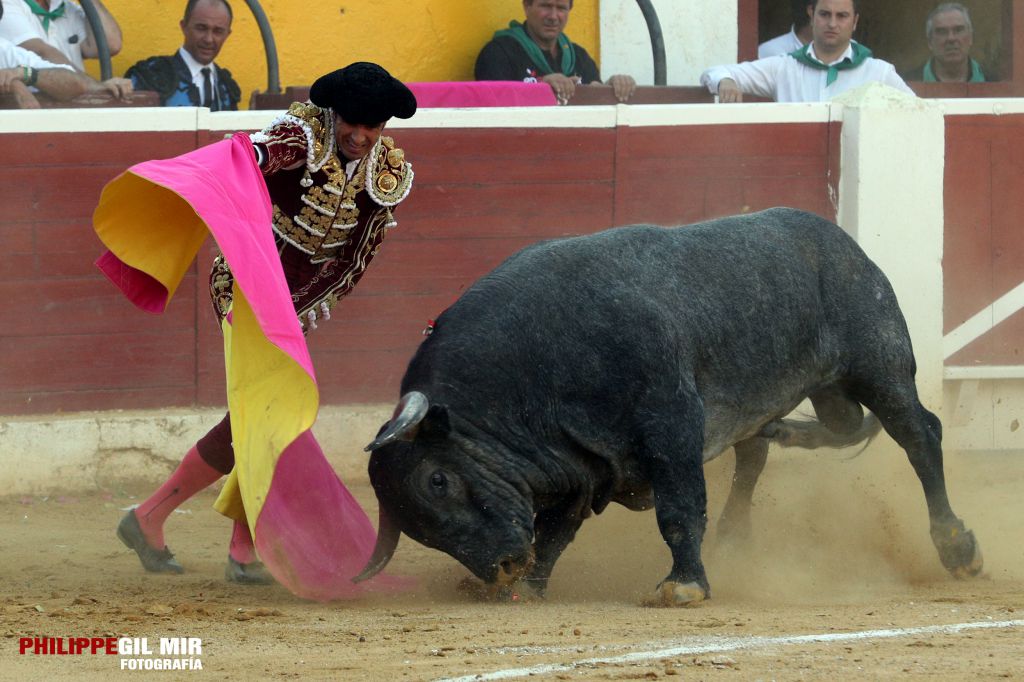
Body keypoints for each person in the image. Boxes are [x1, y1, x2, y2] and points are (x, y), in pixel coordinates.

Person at [113, 62, 417, 585]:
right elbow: (249, 159)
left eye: (373, 127)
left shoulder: (386, 174)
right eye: (352, 123)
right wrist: (243, 158)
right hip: (246, 282)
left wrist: (295, 310)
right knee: (272, 417)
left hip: (296, 302)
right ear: (333, 113)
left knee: (262, 418)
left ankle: (217, 538)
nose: (360, 136)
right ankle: (177, 525)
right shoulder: (299, 137)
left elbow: (352, 260)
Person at [701, 0, 913, 103]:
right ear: (811, 15)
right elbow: (713, 72)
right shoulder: (783, 67)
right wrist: (726, 81)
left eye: (841, 16)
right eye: (824, 14)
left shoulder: (879, 72)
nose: (832, 23)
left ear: (855, 21)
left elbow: (919, 112)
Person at [475, 0, 636, 104]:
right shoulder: (498, 53)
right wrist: (540, 87)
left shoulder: (579, 56)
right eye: (546, 6)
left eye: (561, 8)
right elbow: (491, 106)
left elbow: (598, 109)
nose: (553, 16)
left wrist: (612, 88)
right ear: (526, 6)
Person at [0, 0, 132, 99]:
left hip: (73, 105)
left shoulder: (65, 7)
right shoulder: (7, 5)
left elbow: (111, 45)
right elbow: (41, 52)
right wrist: (95, 87)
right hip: (39, 108)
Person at [124, 0, 240, 109]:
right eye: (201, 28)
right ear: (184, 27)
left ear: (227, 35)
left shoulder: (227, 86)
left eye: (218, 31)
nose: (208, 39)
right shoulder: (150, 75)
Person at [902, 3, 986, 83]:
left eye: (958, 30)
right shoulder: (906, 84)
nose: (951, 38)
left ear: (970, 37)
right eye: (942, 32)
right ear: (930, 42)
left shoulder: (992, 80)